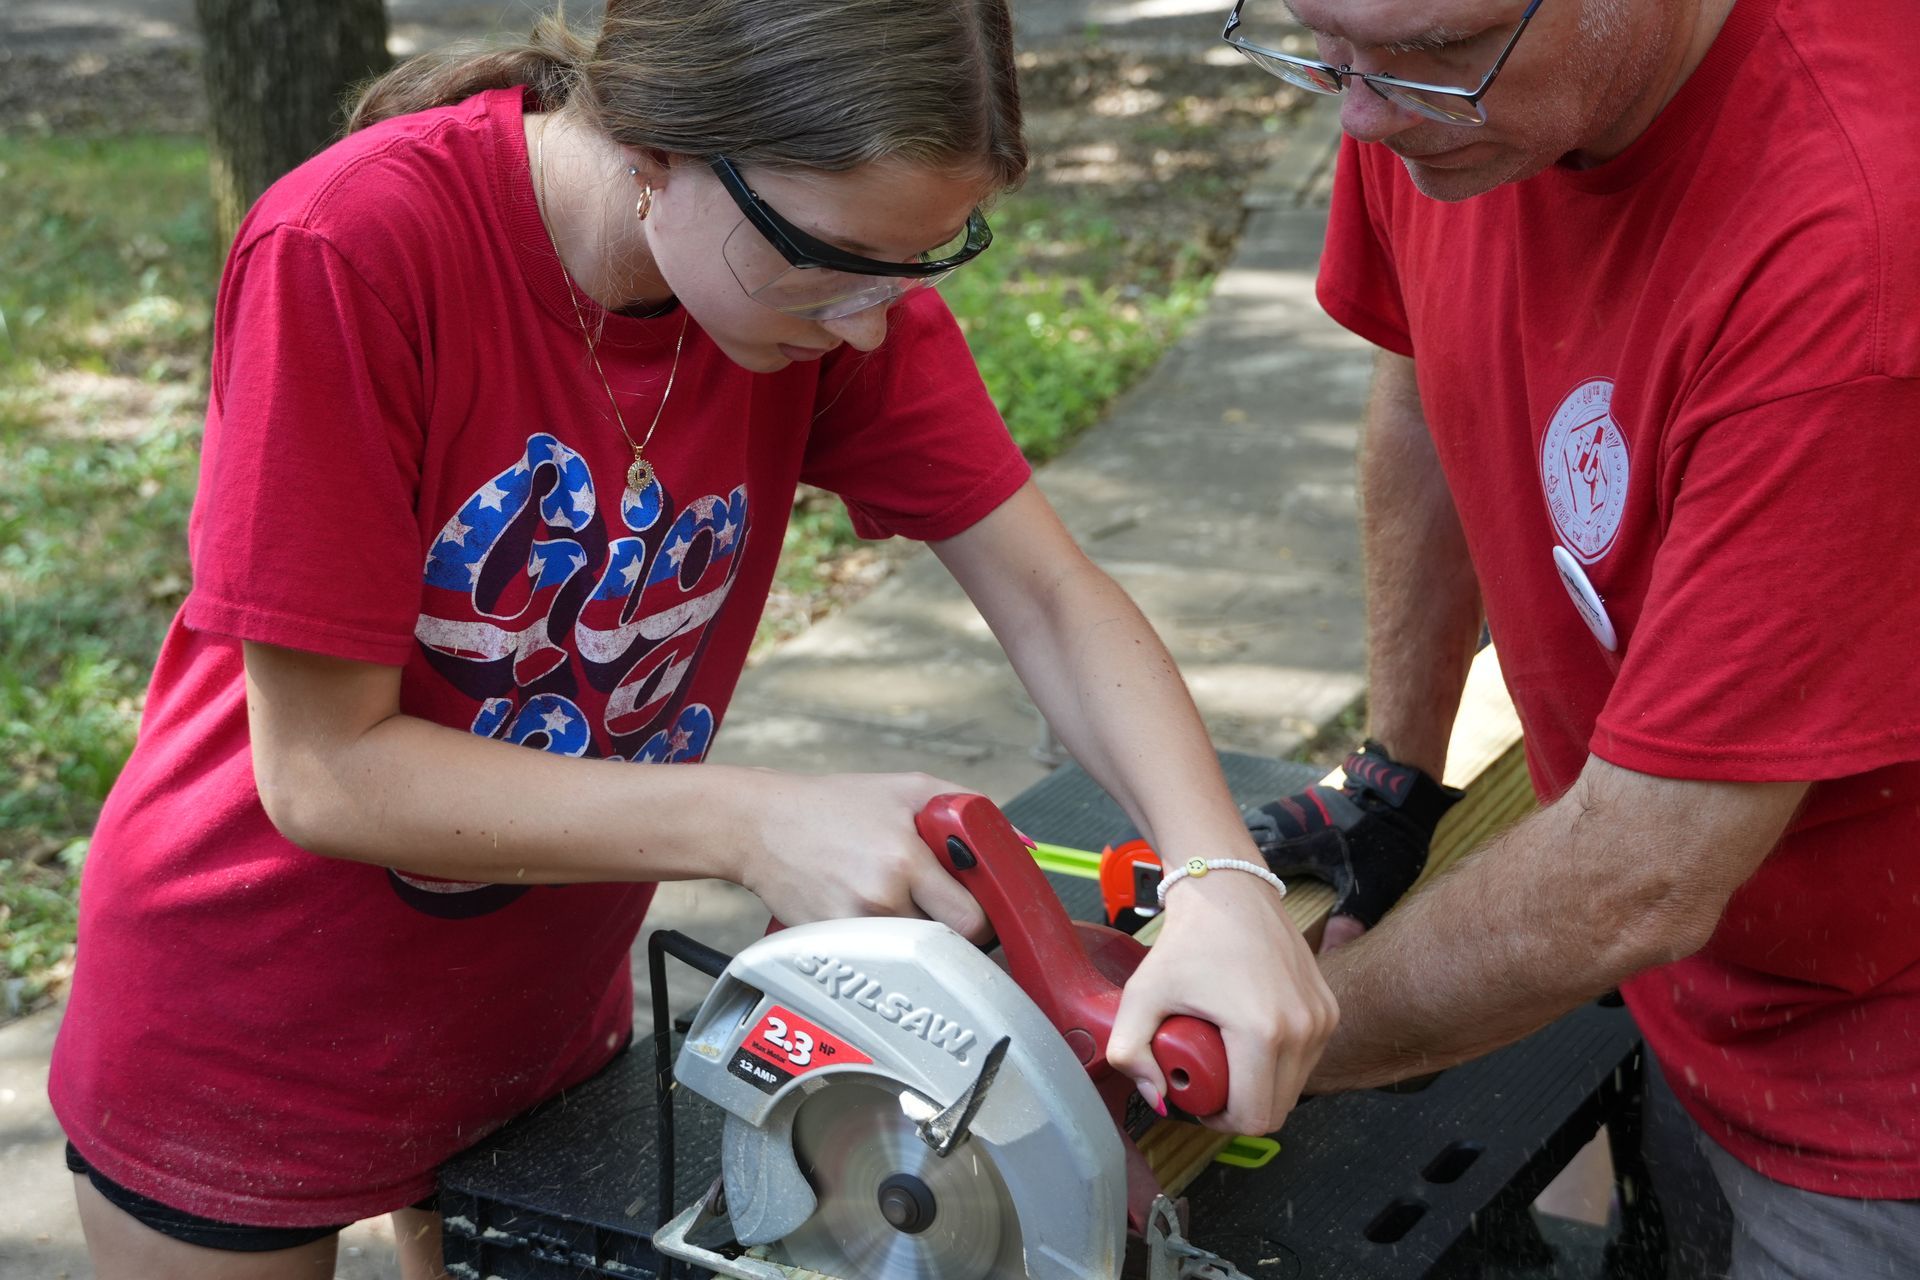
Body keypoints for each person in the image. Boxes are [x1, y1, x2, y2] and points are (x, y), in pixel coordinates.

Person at [49, 2, 1339, 1276]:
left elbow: (1051, 594)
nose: (871, 324)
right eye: (831, 260)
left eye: (920, 264)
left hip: (534, 1021)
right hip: (240, 1032)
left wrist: (1220, 879)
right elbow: (326, 769)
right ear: (657, 143)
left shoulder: (824, 279)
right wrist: (748, 819)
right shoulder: (351, 249)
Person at [1222, 0, 1920, 1275]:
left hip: (1884, 1096)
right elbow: (1427, 376)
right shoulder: (1437, 92)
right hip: (1706, 972)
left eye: (1429, 53)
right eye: (1318, 37)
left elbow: (1636, 874)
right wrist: (1396, 770)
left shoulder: (1858, 240)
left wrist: (1257, 1041)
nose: (1363, 112)